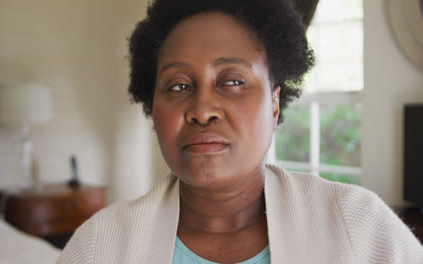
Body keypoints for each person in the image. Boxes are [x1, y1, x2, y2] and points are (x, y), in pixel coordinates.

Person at [58, 0, 423, 263]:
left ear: (275, 102)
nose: (202, 111)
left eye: (232, 81)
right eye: (178, 86)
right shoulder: (100, 247)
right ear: (153, 109)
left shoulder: (357, 226)